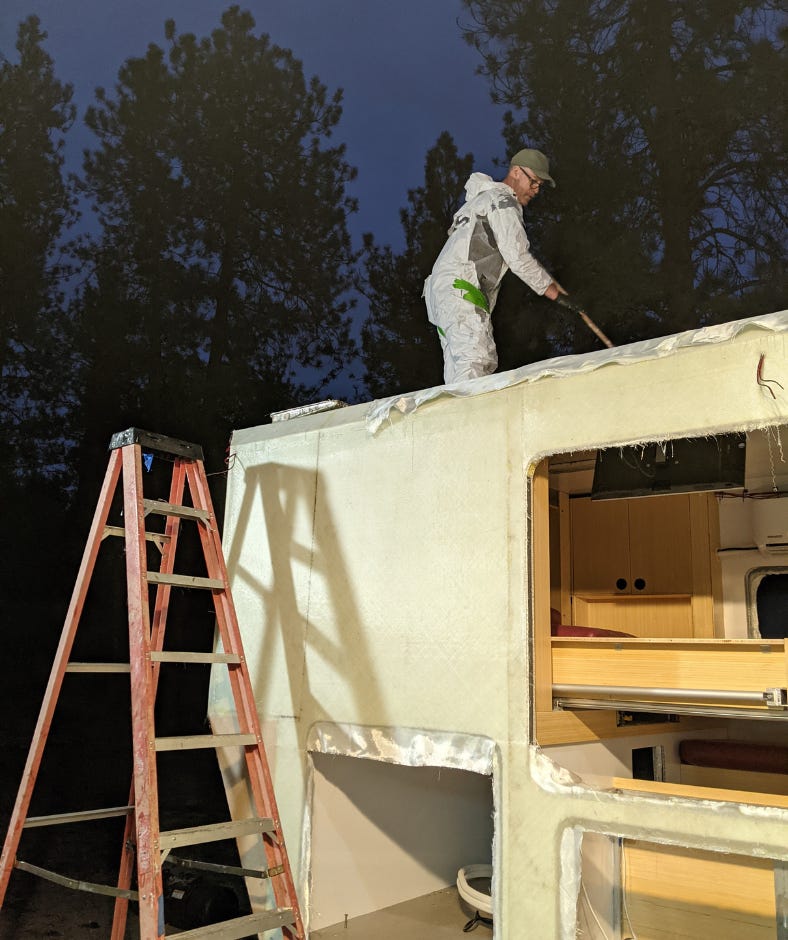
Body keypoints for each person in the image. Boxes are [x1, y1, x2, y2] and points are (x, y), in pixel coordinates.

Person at [424, 148, 565, 384]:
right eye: (534, 182)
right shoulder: (502, 201)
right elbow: (517, 256)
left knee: (461, 365)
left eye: (539, 184)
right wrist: (555, 293)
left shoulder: (480, 201)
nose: (536, 189)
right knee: (475, 358)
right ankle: (473, 415)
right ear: (516, 172)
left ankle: (456, 414)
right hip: (463, 286)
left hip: (444, 292)